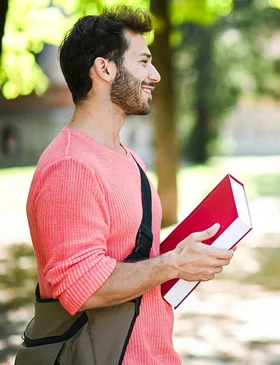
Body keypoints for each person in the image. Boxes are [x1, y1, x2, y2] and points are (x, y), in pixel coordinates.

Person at [22, 6, 233, 365]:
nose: (156, 75)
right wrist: (172, 265)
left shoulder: (128, 158)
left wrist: (184, 257)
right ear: (104, 68)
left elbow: (135, 256)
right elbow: (82, 286)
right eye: (143, 61)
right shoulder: (71, 167)